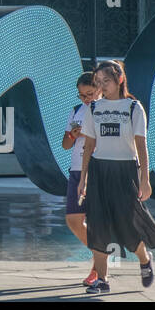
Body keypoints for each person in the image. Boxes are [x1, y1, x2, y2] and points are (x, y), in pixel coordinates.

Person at [77, 60, 155, 294]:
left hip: (125, 170)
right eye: (98, 82)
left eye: (105, 81)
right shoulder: (94, 108)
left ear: (118, 79)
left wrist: (144, 178)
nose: (101, 86)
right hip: (99, 170)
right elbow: (89, 145)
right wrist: (83, 178)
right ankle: (102, 279)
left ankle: (144, 259)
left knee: (127, 224)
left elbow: (141, 145)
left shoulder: (133, 108)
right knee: (97, 225)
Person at [62, 72, 101, 285]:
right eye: (82, 95)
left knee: (96, 221)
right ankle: (100, 254)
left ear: (100, 89)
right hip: (77, 169)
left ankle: (98, 268)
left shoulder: (106, 110)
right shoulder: (76, 111)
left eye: (89, 94)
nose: (86, 99)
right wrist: (73, 135)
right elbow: (65, 145)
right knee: (73, 219)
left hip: (97, 168)